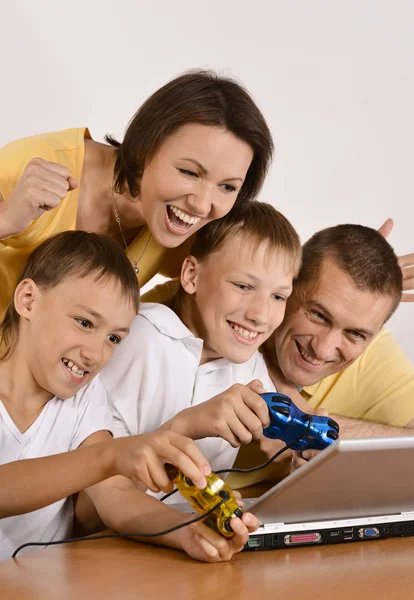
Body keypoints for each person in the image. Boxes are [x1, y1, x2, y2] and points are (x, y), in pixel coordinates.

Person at [0, 230, 258, 562]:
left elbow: (114, 495)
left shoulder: (85, 398)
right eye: (84, 322)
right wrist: (110, 456)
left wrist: (186, 530)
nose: (95, 353)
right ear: (28, 300)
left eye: (114, 338)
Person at [0, 70, 273, 323]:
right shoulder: (39, 165)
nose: (201, 204)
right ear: (144, 148)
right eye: (189, 172)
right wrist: (6, 220)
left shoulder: (187, 232)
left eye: (227, 187)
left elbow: (220, 291)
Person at [100, 202, 301, 480]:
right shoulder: (140, 338)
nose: (260, 316)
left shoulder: (250, 365)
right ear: (192, 276)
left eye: (278, 296)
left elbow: (277, 443)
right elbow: (91, 498)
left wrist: (300, 458)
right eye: (243, 286)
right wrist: (185, 427)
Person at [231, 224, 414, 483]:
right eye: (318, 315)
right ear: (289, 284)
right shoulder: (218, 315)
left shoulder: (373, 350)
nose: (323, 349)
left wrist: (312, 429)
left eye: (355, 334)